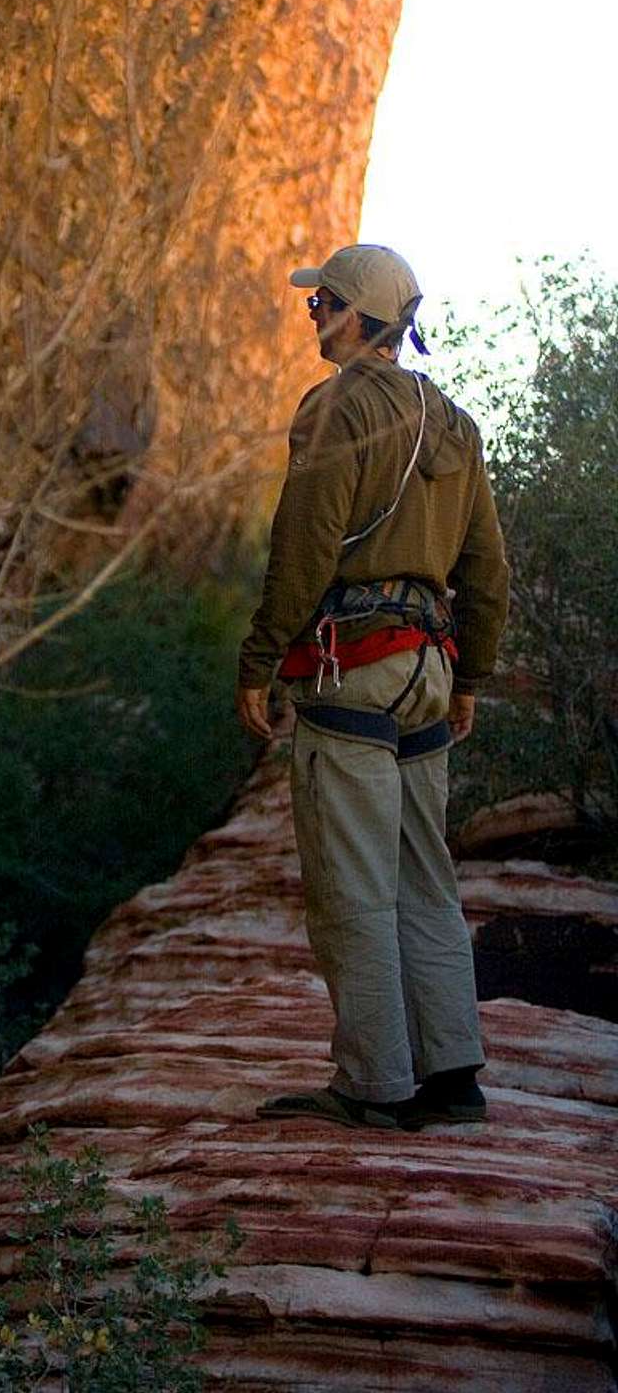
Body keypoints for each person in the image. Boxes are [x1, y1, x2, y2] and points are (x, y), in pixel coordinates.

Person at [236, 244, 509, 1131]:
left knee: (351, 884)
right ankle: (454, 1078)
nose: (311, 316)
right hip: (428, 670)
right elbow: (487, 572)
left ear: (359, 318)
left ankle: (374, 1085)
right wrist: (469, 677)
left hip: (351, 668)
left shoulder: (335, 409)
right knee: (426, 880)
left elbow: (304, 550)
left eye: (323, 305)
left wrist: (261, 661)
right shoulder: (455, 422)